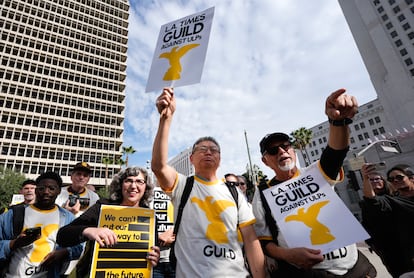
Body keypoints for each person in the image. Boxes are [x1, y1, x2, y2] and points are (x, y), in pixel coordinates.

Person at [252, 88, 376, 277]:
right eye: (273, 150)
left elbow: (335, 153)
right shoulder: (261, 195)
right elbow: (264, 242)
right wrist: (287, 255)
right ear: (265, 161)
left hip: (356, 268)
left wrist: (338, 122)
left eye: (286, 146)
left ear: (293, 150)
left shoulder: (315, 172)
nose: (282, 152)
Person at [151, 87, 266, 277]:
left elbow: (251, 240)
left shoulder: (234, 192)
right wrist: (166, 119)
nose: (208, 152)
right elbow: (158, 166)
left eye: (214, 149)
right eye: (202, 148)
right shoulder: (182, 185)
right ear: (191, 159)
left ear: (219, 160)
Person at [56, 166, 160, 278]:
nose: (133, 186)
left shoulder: (150, 218)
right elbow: (63, 235)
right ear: (120, 185)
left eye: (139, 181)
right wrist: (88, 231)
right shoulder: (102, 208)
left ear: (146, 187)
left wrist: (154, 257)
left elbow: (152, 251)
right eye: (128, 181)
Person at [0, 172, 83, 277]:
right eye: (41, 188)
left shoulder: (68, 218)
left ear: (58, 191)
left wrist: (64, 252)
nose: (46, 192)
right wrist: (14, 243)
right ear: (36, 190)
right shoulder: (13, 214)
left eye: (51, 188)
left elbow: (79, 247)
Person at [360, 164, 414, 277]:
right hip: (397, 252)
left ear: (411, 178)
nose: (395, 180)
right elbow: (371, 200)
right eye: (391, 179)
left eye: (399, 177)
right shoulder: (392, 201)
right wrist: (365, 178)